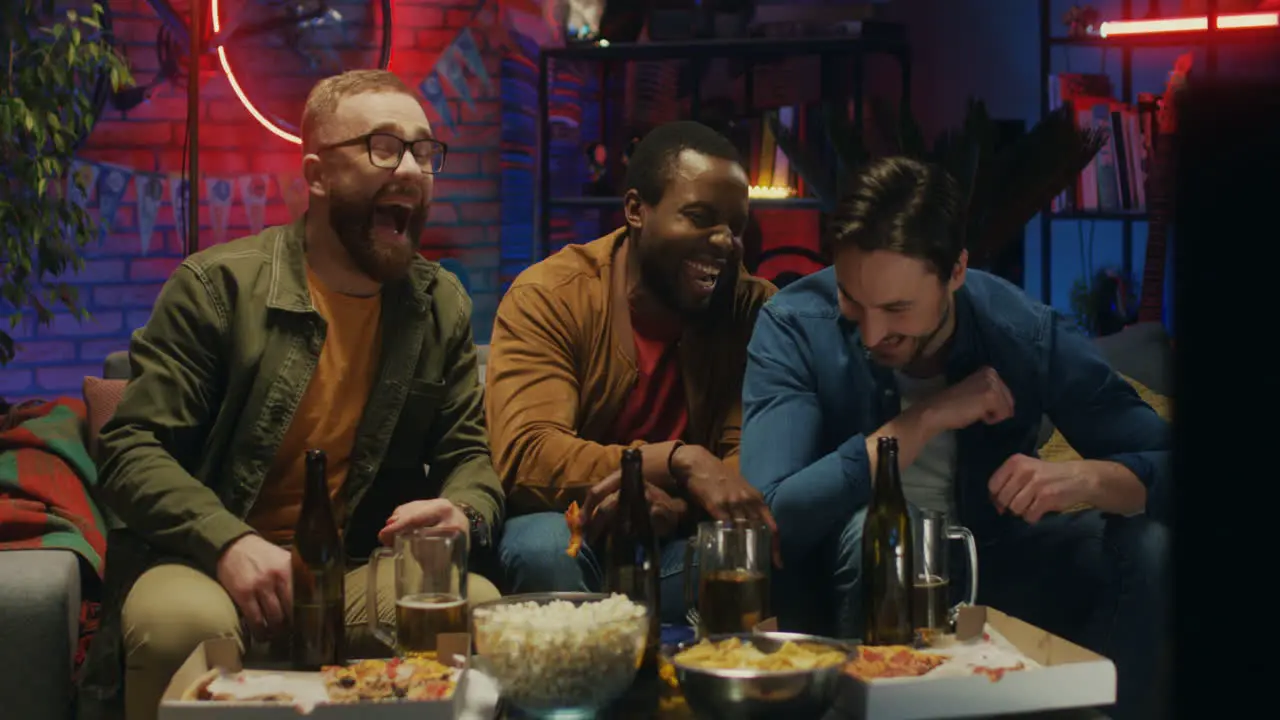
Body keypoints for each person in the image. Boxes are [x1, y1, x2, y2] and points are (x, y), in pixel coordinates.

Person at [78, 70, 504, 720]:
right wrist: (227, 542)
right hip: (204, 561)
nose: (414, 170)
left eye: (424, 151)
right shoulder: (216, 288)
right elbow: (132, 450)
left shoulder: (438, 303)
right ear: (317, 174)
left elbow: (468, 452)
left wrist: (464, 508)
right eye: (384, 147)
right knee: (177, 628)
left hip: (358, 568)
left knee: (471, 607)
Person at [740, 157, 1170, 719]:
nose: (871, 334)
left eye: (897, 309)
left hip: (994, 565)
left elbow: (1169, 460)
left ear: (956, 272)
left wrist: (1086, 478)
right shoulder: (794, 323)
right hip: (845, 576)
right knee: (879, 534)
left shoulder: (1021, 331)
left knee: (1149, 549)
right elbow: (770, 516)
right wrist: (918, 424)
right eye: (852, 299)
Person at [486, 121, 778, 625]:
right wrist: (675, 461)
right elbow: (528, 454)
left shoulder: (753, 311)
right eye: (700, 217)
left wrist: (679, 509)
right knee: (540, 549)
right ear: (636, 210)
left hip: (679, 538)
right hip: (571, 528)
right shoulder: (552, 296)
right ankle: (583, 698)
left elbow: (748, 468)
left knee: (746, 553)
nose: (724, 242)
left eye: (735, 226)